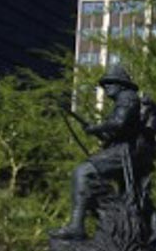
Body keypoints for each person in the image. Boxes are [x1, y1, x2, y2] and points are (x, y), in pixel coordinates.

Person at [51, 64, 142, 239]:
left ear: (121, 85)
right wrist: (99, 133)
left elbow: (119, 122)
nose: (106, 87)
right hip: (119, 149)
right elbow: (114, 132)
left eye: (110, 83)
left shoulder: (127, 97)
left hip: (125, 153)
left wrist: (96, 128)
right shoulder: (122, 100)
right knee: (90, 179)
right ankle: (101, 221)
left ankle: (77, 226)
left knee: (82, 172)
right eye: (105, 84)